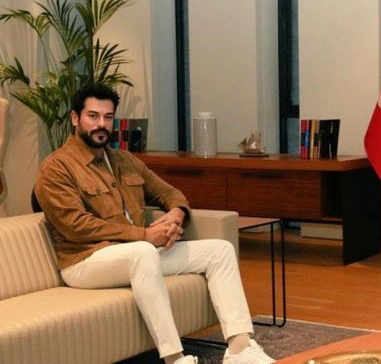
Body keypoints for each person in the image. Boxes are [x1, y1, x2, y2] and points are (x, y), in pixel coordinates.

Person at [34, 83, 276, 364]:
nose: (102, 124)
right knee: (143, 252)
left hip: (137, 254)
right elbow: (75, 225)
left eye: (108, 117)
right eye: (93, 116)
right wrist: (145, 235)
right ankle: (175, 358)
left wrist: (177, 214)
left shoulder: (124, 160)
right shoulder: (56, 167)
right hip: (85, 261)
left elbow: (168, 192)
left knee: (220, 251)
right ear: (75, 118)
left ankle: (239, 349)